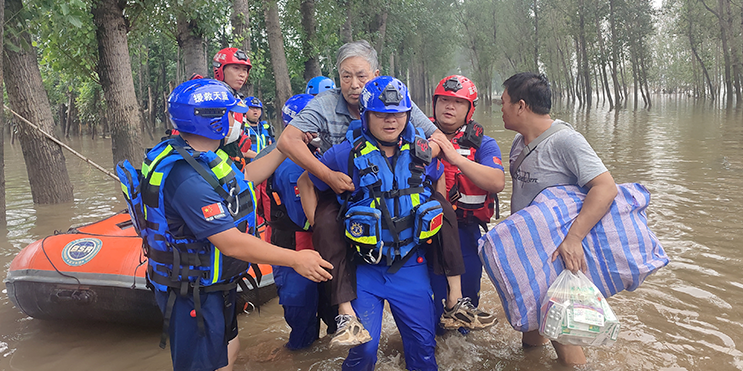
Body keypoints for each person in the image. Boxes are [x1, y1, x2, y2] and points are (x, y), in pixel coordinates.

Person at [117, 79, 333, 371]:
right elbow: (230, 242)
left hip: (215, 285)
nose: (239, 121)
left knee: (229, 352)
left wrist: (285, 147)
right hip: (193, 291)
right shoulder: (186, 178)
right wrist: (296, 258)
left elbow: (245, 180)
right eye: (233, 114)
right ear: (214, 122)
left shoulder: (203, 156)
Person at [299, 76, 440, 370]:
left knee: (424, 350)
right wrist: (319, 224)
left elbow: (435, 188)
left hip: (410, 265)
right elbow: (307, 182)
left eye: (398, 114)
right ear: (365, 115)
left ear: (407, 115)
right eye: (381, 115)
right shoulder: (344, 154)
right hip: (365, 269)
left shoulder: (422, 152)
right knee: (363, 351)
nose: (391, 122)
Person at [501, 72, 617, 366]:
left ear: (521, 106)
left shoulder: (566, 140)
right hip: (531, 252)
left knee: (562, 331)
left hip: (557, 253)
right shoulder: (518, 143)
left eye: (503, 102)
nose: (500, 108)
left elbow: (606, 187)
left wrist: (574, 238)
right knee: (533, 326)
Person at [427, 75, 502, 334]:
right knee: (430, 303)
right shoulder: (415, 137)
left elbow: (497, 181)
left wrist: (455, 158)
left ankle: (461, 352)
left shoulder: (483, 144)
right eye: (444, 100)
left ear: (470, 109)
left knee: (466, 303)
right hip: (423, 233)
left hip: (465, 233)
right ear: (434, 103)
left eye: (458, 102)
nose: (449, 106)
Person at [266, 93, 338, 350]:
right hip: (297, 250)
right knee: (305, 333)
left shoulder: (312, 153)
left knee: (335, 323)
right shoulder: (293, 166)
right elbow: (308, 217)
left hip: (311, 250)